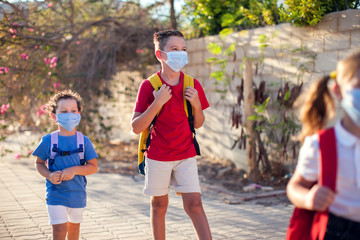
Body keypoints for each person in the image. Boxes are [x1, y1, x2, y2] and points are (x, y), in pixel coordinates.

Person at [131, 30, 212, 240]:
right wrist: (157, 103)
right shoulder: (149, 86)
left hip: (185, 154)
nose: (180, 54)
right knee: (159, 205)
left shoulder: (192, 84)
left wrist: (196, 105)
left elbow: (199, 123)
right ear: (160, 55)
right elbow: (136, 127)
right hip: (157, 156)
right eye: (174, 49)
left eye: (183, 49)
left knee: (194, 204)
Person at [287, 50, 360, 239]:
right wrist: (308, 198)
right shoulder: (321, 145)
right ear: (338, 91)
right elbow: (295, 187)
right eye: (359, 86)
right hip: (336, 230)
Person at [33, 90, 98, 240]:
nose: (69, 114)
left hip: (77, 193)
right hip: (56, 193)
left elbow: (93, 167)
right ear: (54, 116)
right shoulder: (48, 141)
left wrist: (74, 170)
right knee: (59, 231)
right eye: (64, 111)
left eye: (73, 111)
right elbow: (39, 163)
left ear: (79, 113)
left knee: (74, 231)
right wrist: (49, 175)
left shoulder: (84, 141)